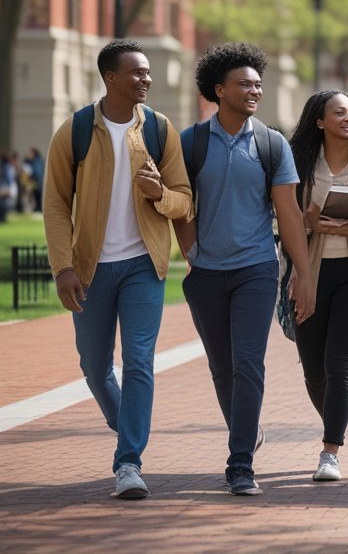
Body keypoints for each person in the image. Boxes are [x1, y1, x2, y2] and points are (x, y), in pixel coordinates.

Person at [42, 40, 193, 498]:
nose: (146, 79)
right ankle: (128, 421)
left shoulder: (160, 130)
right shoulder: (76, 130)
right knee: (94, 365)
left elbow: (184, 199)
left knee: (140, 361)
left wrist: (158, 194)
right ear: (111, 77)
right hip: (89, 268)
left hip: (142, 266)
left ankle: (129, 462)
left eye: (147, 72)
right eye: (137, 73)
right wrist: (63, 266)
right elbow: (53, 204)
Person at [174, 42, 311, 497]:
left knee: (249, 364)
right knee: (222, 367)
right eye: (244, 84)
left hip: (256, 267)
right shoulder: (191, 142)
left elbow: (288, 213)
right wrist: (191, 252)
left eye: (258, 83)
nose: (254, 90)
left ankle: (240, 464)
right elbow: (179, 204)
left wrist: (301, 272)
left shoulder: (272, 144)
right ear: (218, 89)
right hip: (206, 273)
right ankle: (245, 431)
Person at [287, 90, 348, 483]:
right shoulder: (299, 165)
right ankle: (335, 422)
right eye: (339, 112)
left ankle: (330, 451)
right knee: (314, 371)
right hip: (310, 277)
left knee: (339, 363)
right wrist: (309, 225)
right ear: (319, 121)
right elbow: (281, 221)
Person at [25, 147, 45, 213]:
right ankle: (36, 208)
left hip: (38, 183)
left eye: (30, 153)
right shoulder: (34, 161)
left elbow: (37, 174)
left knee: (37, 197)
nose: (28, 154)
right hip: (37, 183)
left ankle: (37, 209)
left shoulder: (37, 161)